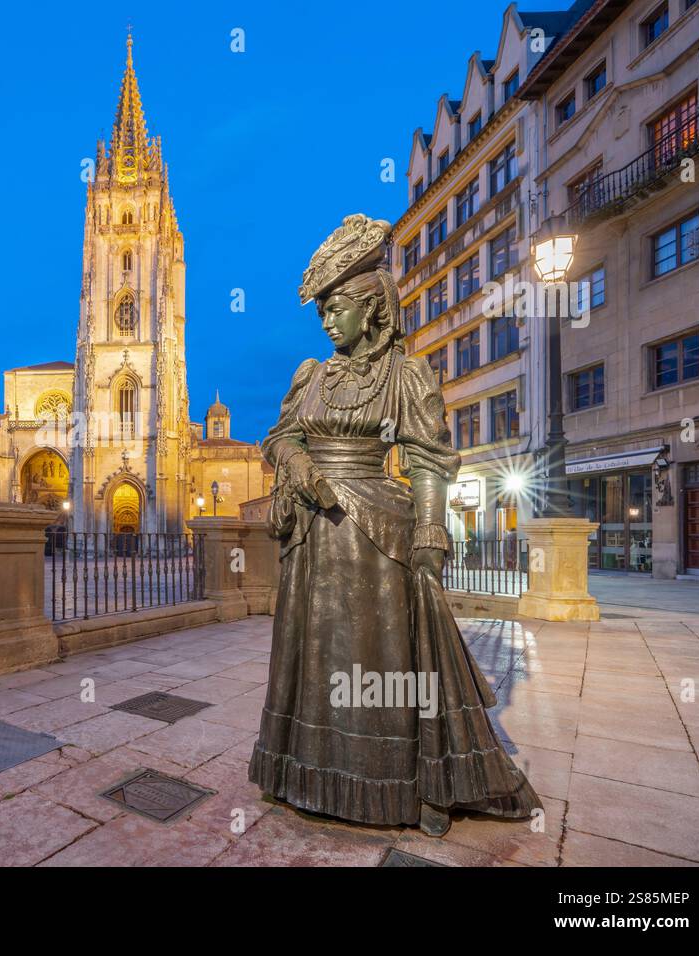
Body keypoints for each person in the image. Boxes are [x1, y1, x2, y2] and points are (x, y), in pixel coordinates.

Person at [249, 214, 540, 837]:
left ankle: (391, 781)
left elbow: (430, 457)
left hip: (374, 537)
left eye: (338, 309)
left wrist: (432, 533)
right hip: (312, 537)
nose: (327, 321)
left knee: (374, 660)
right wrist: (297, 461)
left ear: (372, 308)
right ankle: (303, 769)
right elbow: (280, 437)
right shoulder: (313, 376)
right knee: (314, 656)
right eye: (322, 311)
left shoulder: (406, 376)